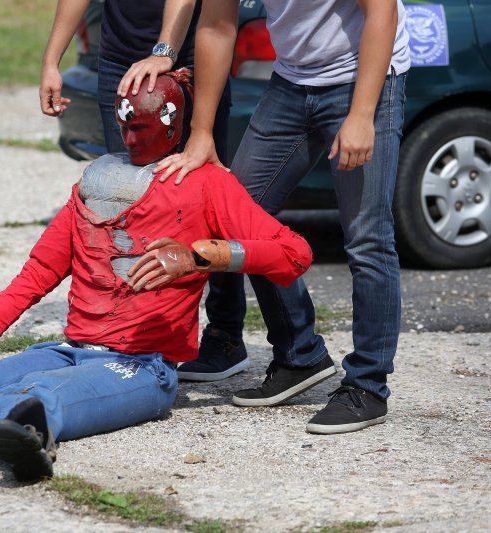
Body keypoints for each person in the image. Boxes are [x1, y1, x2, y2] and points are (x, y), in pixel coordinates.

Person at [0, 73, 313, 482]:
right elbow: (43, 268)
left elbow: (294, 253)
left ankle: (31, 443)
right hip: (71, 347)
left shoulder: (205, 184)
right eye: (124, 124)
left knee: (39, 393)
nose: (129, 136)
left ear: (171, 123)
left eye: (141, 126)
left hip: (142, 367)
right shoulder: (97, 180)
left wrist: (207, 255)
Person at [155, 0, 410, 434]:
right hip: (292, 82)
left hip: (363, 76)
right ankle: (300, 354)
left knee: (368, 239)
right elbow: (216, 25)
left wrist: (362, 114)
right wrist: (200, 134)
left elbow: (382, 11)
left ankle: (367, 386)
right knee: (240, 218)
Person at [40, 1, 248, 379]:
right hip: (119, 62)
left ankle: (225, 334)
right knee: (128, 197)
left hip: (187, 57)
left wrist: (164, 50)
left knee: (205, 198)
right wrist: (51, 60)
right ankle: (133, 332)